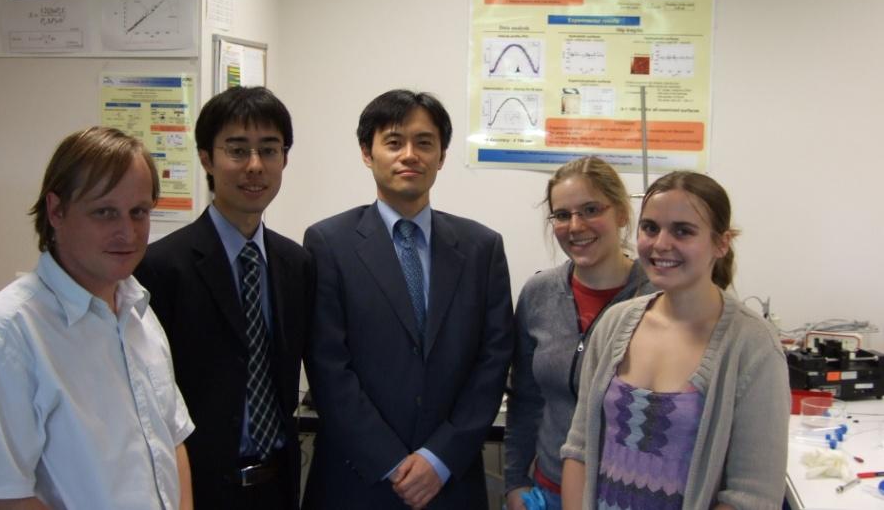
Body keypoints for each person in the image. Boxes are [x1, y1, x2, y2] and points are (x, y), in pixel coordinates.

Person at [0, 126, 194, 509]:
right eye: (105, 212)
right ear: (56, 211)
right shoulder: (3, 335)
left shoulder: (139, 313)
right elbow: (2, 499)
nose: (127, 232)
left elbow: (172, 441)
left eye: (139, 212)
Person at [302, 89, 513, 509]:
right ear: (368, 153)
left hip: (450, 483)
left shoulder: (482, 248)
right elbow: (327, 365)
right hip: (356, 481)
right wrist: (390, 461)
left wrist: (439, 459)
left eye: (424, 142)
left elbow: (494, 361)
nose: (410, 155)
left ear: (442, 155)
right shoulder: (328, 243)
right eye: (394, 142)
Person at [561, 172, 790, 510]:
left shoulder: (752, 345)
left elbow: (752, 496)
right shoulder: (614, 324)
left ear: (721, 243)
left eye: (682, 231)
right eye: (650, 228)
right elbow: (579, 448)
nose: (661, 244)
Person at [135, 86, 314, 508]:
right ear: (206, 158)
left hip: (278, 485)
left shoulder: (297, 264)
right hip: (196, 487)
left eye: (269, 150)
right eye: (237, 150)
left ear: (284, 159)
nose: (255, 165)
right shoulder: (160, 267)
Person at [504, 156, 653, 510]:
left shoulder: (656, 297)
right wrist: (514, 483)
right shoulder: (538, 294)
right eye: (562, 215)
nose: (575, 226)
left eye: (590, 210)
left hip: (629, 496)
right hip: (548, 491)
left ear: (621, 213)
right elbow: (525, 398)